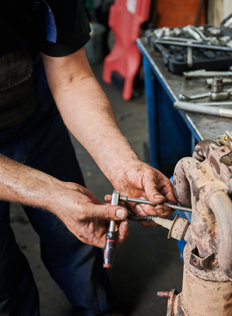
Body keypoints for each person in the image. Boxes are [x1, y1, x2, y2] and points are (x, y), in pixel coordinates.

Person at [0, 0, 176, 315]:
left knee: (78, 234)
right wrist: (49, 193)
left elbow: (71, 78)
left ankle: (98, 309)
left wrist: (124, 166)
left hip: (34, 114)